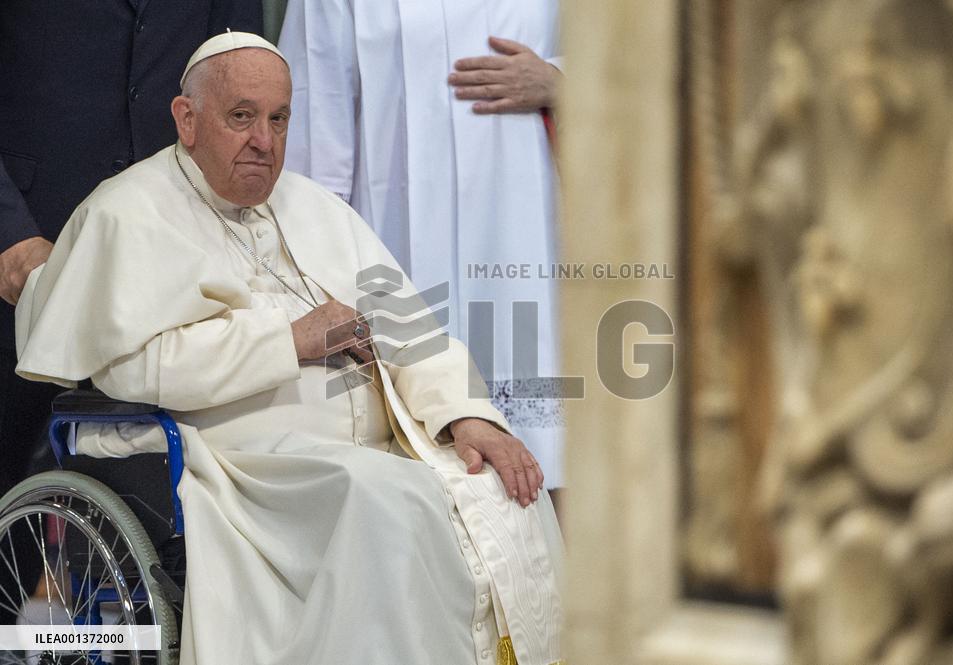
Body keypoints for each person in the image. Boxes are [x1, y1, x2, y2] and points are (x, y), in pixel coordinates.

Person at [15, 32, 563, 665]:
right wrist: (290, 339)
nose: (264, 142)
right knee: (382, 496)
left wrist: (466, 415)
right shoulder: (126, 214)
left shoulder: (315, 207)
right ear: (186, 119)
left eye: (279, 119)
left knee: (503, 487)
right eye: (241, 117)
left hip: (362, 450)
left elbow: (408, 325)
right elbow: (139, 367)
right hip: (230, 461)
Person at [0, 0, 263, 625]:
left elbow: (240, 65)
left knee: (132, 527)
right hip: (29, 249)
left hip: (172, 268)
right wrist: (8, 232)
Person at [277, 1, 568, 497]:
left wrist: (561, 83)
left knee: (548, 437)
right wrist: (313, 264)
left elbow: (640, 54)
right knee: (417, 455)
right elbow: (314, 120)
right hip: (396, 235)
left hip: (527, 231)